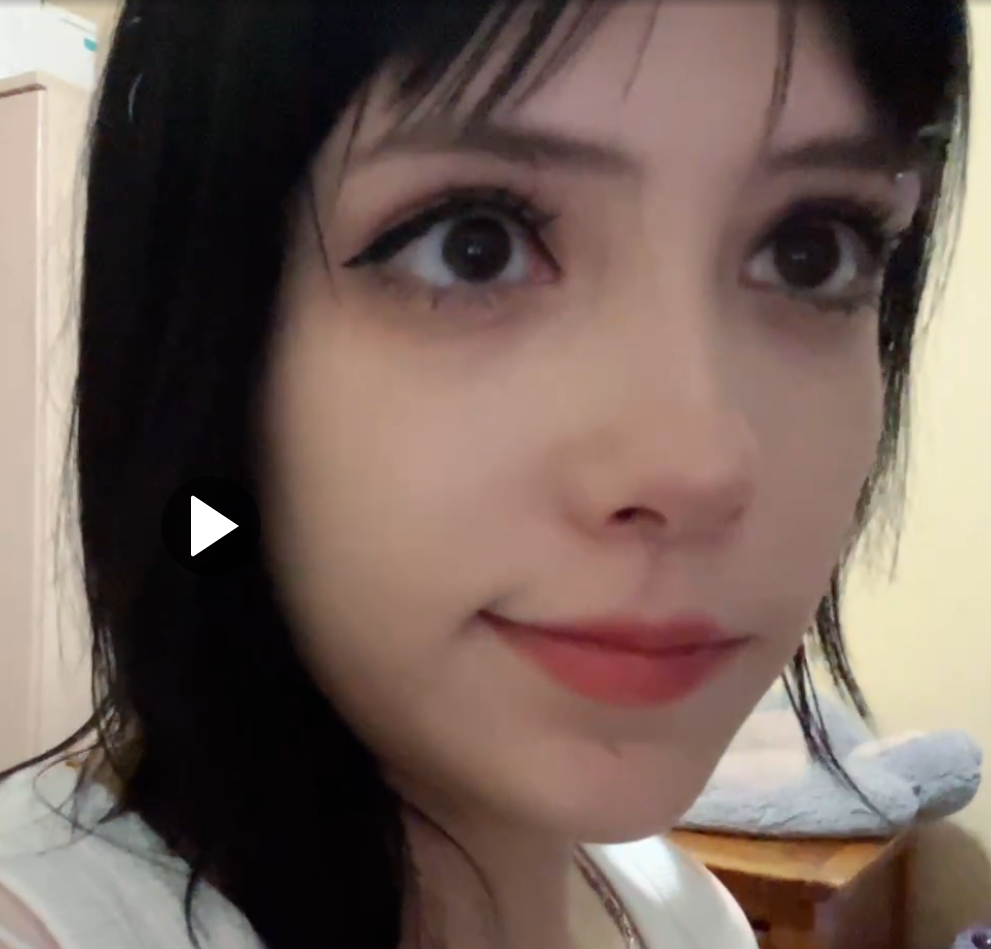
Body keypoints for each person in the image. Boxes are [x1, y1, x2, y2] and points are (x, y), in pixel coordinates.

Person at [0, 1, 971, 948]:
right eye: (474, 245)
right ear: (211, 339)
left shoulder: (687, 913)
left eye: (810, 252)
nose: (699, 465)